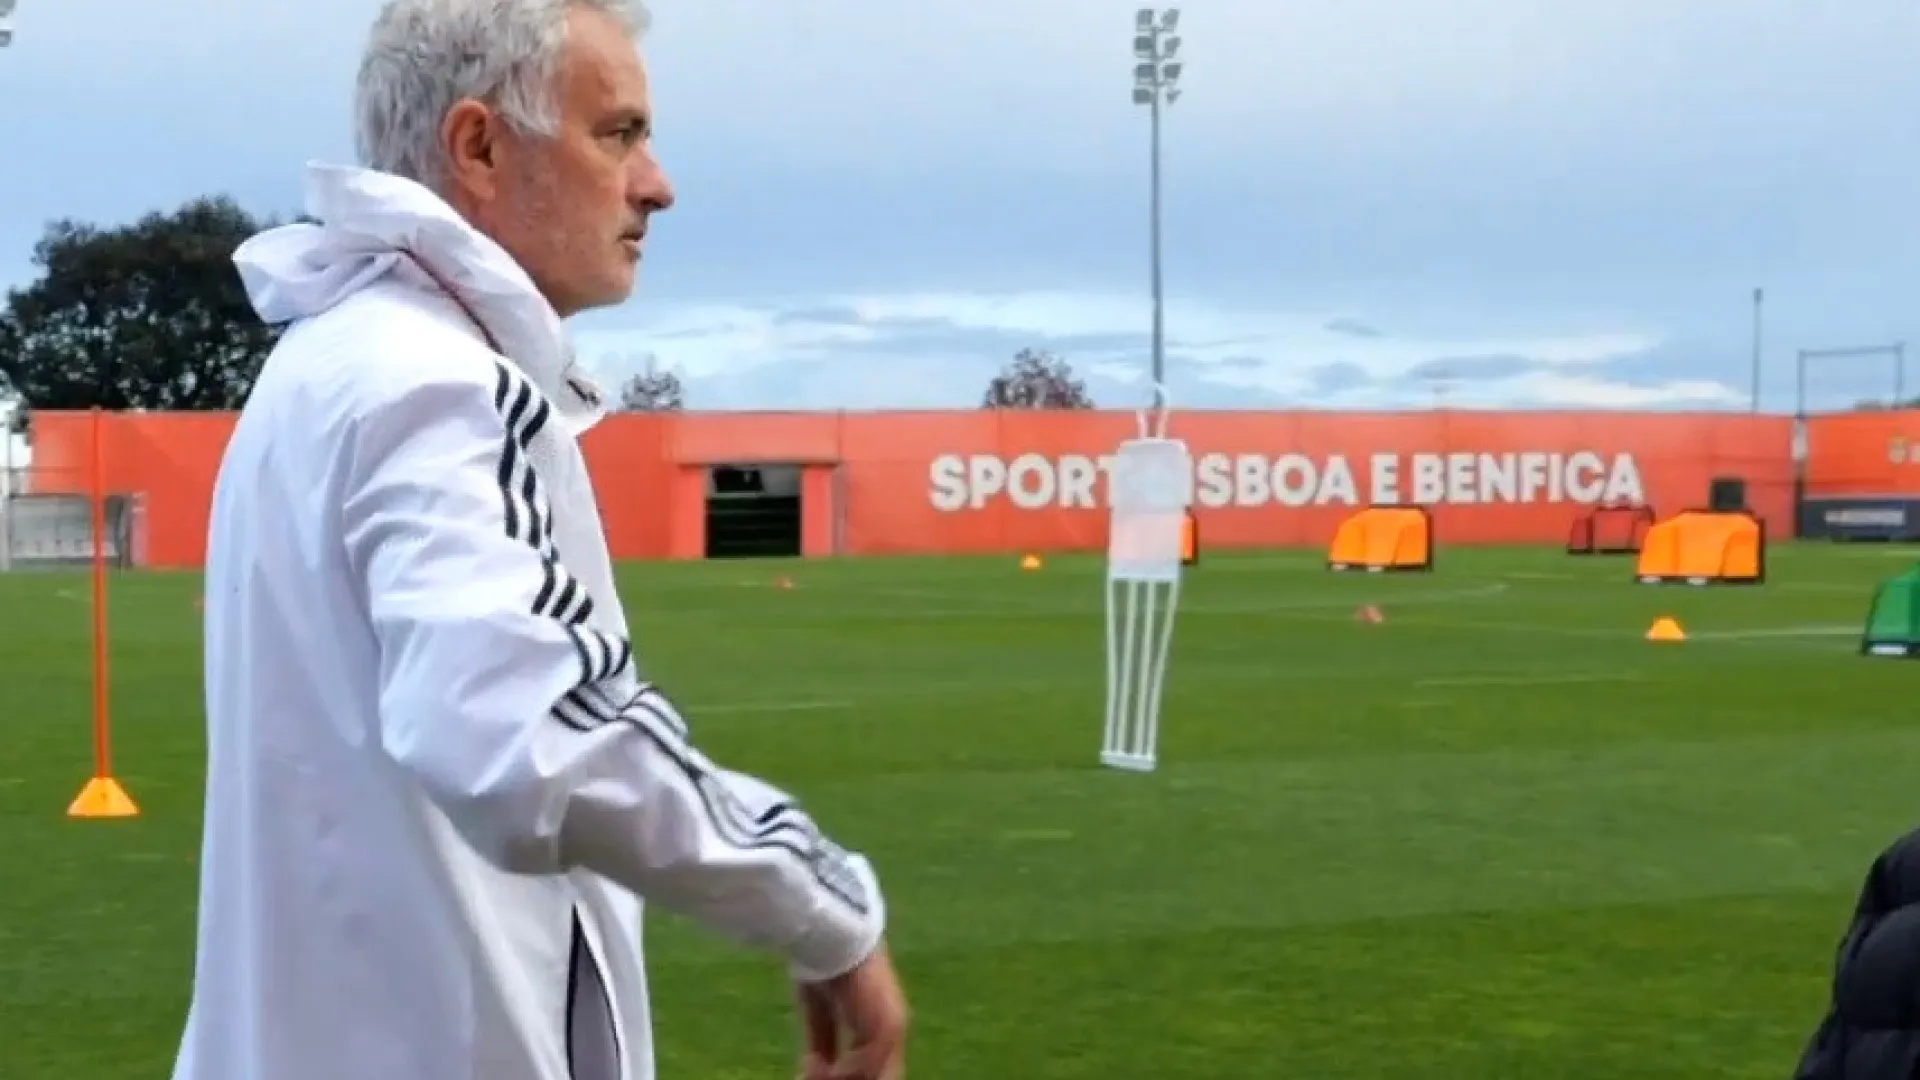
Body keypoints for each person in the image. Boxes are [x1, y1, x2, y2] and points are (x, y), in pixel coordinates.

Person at [169, 2, 908, 1078]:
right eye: (617, 133)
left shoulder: (327, 362)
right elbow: (525, 732)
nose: (656, 183)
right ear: (478, 148)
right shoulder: (442, 384)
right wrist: (818, 899)